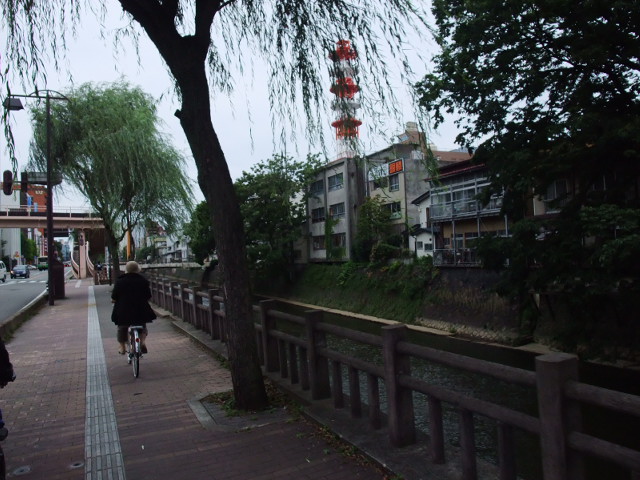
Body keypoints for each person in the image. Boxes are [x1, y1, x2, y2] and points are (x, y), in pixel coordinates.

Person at [111, 261, 156, 355]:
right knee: (142, 326)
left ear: (126, 270)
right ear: (137, 269)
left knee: (122, 326)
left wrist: (114, 300)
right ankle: (142, 342)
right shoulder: (143, 280)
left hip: (124, 310)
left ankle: (122, 347)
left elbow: (114, 296)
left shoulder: (120, 281)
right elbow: (148, 296)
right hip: (140, 309)